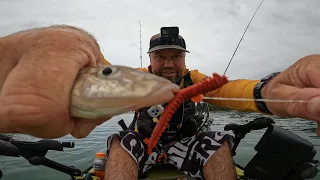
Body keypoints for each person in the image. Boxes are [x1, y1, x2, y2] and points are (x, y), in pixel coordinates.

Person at [0, 25, 319, 179]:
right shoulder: (137, 79)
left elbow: (233, 89)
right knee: (121, 142)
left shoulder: (193, 80)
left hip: (187, 144)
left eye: (175, 56)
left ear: (184, 58)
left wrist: (269, 91)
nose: (168, 64)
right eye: (161, 56)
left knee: (217, 141)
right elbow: (103, 74)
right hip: (143, 144)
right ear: (150, 59)